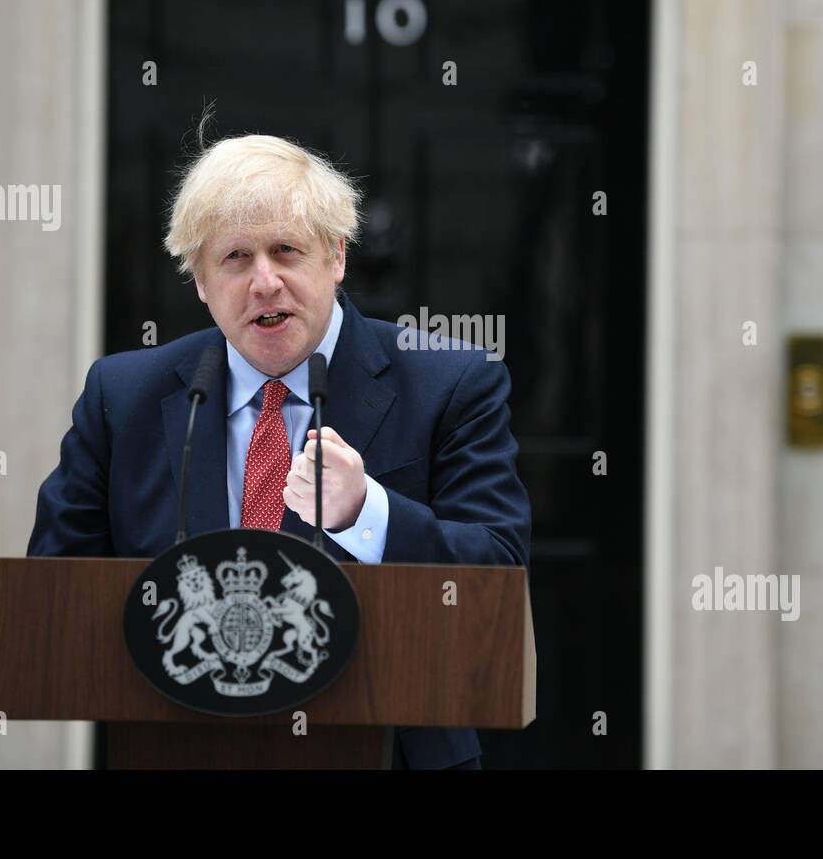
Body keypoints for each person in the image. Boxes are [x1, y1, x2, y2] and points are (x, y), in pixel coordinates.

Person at [27, 132, 532, 770]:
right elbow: (50, 596)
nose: (265, 282)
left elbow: (499, 578)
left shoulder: (449, 381)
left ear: (338, 256)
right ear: (201, 284)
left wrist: (366, 513)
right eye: (235, 257)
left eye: (286, 250)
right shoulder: (122, 395)